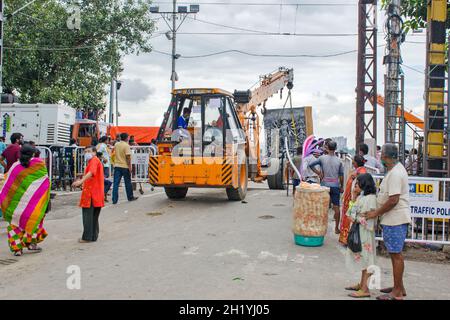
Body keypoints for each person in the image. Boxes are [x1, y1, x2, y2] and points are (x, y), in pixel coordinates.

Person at [365, 143, 410, 300]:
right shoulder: (394, 171)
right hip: (392, 218)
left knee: (396, 254)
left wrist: (375, 213)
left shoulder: (396, 174)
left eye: (382, 156)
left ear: (386, 157)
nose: (381, 159)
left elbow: (393, 200)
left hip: (395, 219)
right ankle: (399, 286)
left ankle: (397, 292)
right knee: (393, 253)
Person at [0, 144, 50, 256]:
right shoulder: (39, 164)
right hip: (31, 204)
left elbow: (8, 182)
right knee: (33, 221)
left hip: (15, 204)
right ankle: (32, 244)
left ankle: (17, 249)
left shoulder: (15, 166)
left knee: (14, 225)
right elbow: (43, 182)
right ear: (33, 153)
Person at [345, 173, 378, 298]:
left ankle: (365, 288)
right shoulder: (362, 197)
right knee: (363, 258)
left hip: (364, 233)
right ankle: (362, 284)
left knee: (366, 259)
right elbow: (351, 213)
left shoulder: (369, 199)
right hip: (361, 231)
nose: (356, 185)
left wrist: (355, 216)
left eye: (358, 183)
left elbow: (356, 216)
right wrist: (354, 197)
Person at [309, 141, 344, 234]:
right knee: (336, 207)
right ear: (335, 148)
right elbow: (341, 175)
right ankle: (336, 228)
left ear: (327, 148)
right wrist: (342, 186)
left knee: (322, 206)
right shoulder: (339, 160)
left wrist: (318, 173)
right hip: (335, 185)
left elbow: (310, 165)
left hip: (324, 185)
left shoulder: (322, 158)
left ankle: (320, 225)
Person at [72, 146, 105, 243]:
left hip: (91, 193)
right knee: (94, 216)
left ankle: (87, 237)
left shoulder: (94, 160)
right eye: (85, 151)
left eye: (89, 151)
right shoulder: (94, 161)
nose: (87, 153)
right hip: (96, 193)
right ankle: (93, 236)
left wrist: (80, 181)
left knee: (88, 216)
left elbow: (91, 172)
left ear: (94, 152)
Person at [339, 154, 367, 245]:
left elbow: (360, 185)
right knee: (348, 217)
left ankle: (349, 239)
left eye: (353, 161)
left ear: (356, 162)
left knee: (350, 218)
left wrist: (354, 197)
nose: (352, 162)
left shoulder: (361, 171)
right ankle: (346, 238)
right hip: (350, 198)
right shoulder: (358, 170)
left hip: (354, 199)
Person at [112, 133, 138, 204]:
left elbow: (113, 153)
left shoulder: (116, 144)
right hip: (124, 166)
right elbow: (128, 158)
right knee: (128, 183)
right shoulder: (126, 146)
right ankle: (130, 197)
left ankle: (114, 200)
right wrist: (130, 167)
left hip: (117, 165)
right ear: (126, 138)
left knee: (116, 184)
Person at [96, 136, 112, 200]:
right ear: (105, 140)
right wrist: (103, 158)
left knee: (105, 179)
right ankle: (102, 193)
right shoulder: (102, 146)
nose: (109, 141)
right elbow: (98, 152)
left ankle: (103, 194)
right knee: (104, 179)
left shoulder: (104, 145)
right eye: (108, 140)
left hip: (106, 164)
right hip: (104, 165)